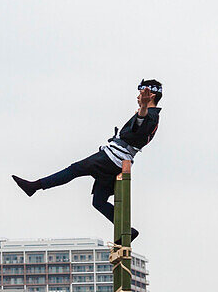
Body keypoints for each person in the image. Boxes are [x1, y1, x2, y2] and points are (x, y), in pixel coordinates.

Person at [11, 80, 162, 241]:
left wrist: (144, 108)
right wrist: (143, 109)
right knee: (98, 201)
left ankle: (35, 186)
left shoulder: (150, 115)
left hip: (112, 158)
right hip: (119, 160)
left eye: (141, 94)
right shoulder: (152, 117)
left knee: (75, 169)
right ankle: (128, 230)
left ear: (150, 95)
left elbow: (139, 126)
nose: (138, 97)